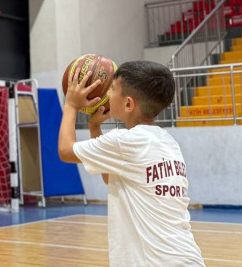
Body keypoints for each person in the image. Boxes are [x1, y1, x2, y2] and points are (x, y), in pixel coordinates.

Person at [58, 60, 204, 266]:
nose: (107, 94)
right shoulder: (168, 142)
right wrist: (94, 129)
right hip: (185, 258)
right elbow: (111, 178)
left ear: (128, 104)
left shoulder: (124, 141)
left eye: (113, 89)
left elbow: (65, 151)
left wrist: (70, 105)